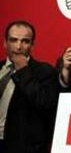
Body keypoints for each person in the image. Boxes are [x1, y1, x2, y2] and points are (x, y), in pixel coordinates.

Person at [0, 20, 59, 152]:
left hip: (23, 147)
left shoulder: (45, 71)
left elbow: (45, 103)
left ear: (32, 46)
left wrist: (23, 70)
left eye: (25, 41)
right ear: (5, 43)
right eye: (13, 40)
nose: (18, 46)